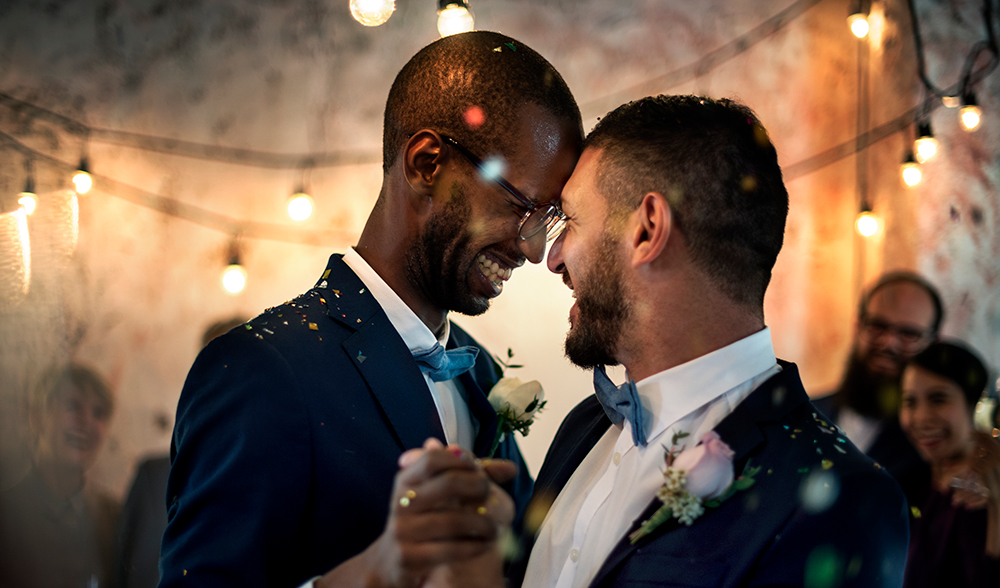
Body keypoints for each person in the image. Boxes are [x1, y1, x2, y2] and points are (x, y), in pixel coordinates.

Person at [159, 31, 583, 588]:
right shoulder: (260, 370)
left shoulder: (478, 370)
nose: (532, 250)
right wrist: (370, 576)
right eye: (520, 207)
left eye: (547, 223)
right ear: (426, 163)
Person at [506, 95, 908, 587]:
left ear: (647, 229)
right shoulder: (584, 427)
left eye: (569, 221)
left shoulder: (845, 499)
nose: (553, 258)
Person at [114, 316, 247, 588]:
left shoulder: (285, 481)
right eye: (214, 361)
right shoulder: (153, 479)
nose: (227, 373)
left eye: (243, 360)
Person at [813, 272, 944, 483]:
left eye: (909, 334)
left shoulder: (936, 446)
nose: (889, 343)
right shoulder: (804, 414)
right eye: (878, 326)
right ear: (857, 326)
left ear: (933, 344)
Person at [0, 364, 119, 588]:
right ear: (36, 417)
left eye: (99, 413)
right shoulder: (5, 514)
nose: (86, 422)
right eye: (73, 406)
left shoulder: (115, 517)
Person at [898, 341, 1000, 587]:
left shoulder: (983, 495)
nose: (921, 418)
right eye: (910, 402)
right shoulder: (914, 483)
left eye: (938, 399)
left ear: (975, 405)